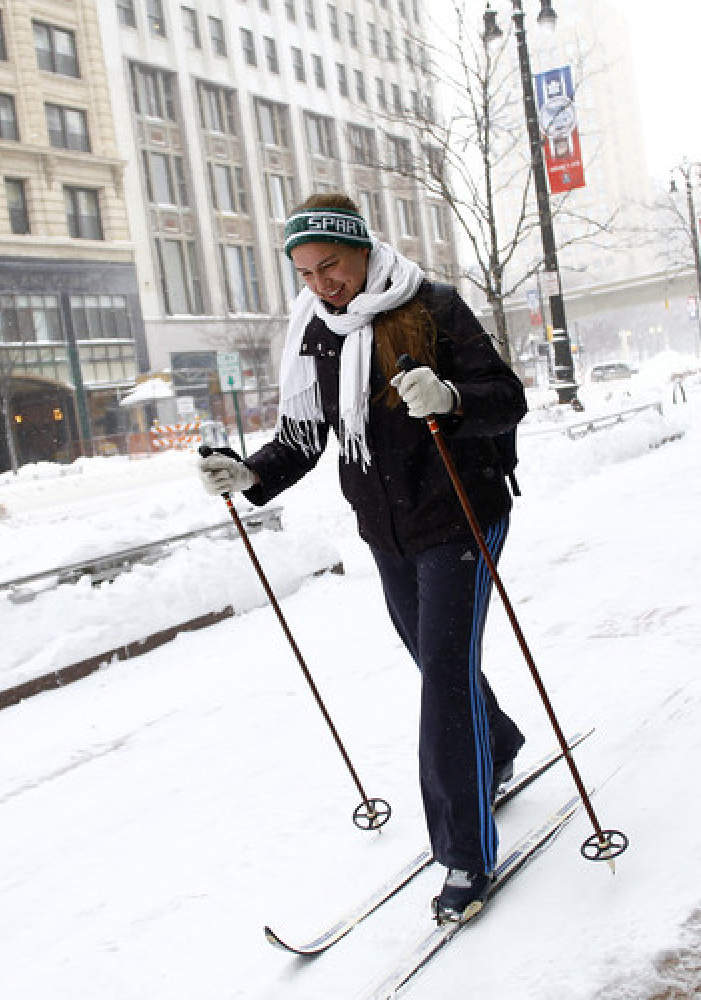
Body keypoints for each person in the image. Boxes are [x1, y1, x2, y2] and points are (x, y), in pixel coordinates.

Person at [197, 193, 529, 924]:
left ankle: (467, 855)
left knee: (442, 679)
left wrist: (448, 397)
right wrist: (250, 474)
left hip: (463, 518)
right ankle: (498, 741)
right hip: (388, 532)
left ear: (362, 251)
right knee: (435, 661)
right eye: (307, 273)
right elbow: (303, 437)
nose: (322, 285)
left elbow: (507, 397)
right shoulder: (316, 331)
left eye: (332, 266)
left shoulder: (434, 307)